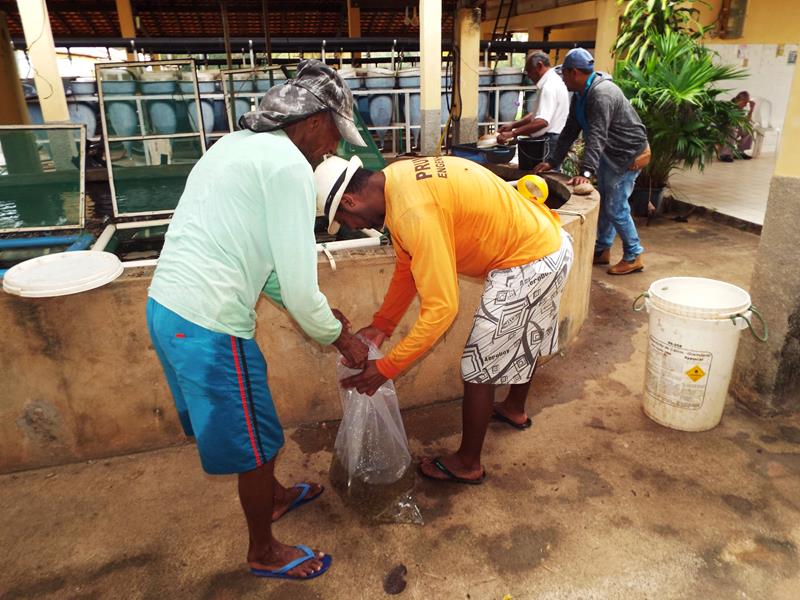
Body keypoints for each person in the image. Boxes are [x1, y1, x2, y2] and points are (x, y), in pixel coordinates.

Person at [146, 60, 369, 581]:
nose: (334, 147)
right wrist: (342, 338)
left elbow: (265, 270)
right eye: (335, 133)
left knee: (252, 421)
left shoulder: (233, 146)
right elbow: (300, 290)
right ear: (314, 121)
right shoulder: (289, 168)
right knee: (256, 443)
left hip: (169, 309)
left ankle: (275, 497)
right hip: (209, 324)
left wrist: (319, 318)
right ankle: (263, 551)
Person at [314, 154, 573, 485]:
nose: (352, 226)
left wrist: (386, 368)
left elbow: (442, 309)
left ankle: (468, 463)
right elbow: (409, 264)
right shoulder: (396, 179)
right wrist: (382, 324)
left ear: (350, 201)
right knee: (525, 333)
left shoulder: (412, 212)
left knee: (478, 369)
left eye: (344, 219)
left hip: (527, 262)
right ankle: (513, 408)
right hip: (548, 242)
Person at [533, 48, 651, 276]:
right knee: (607, 202)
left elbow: (598, 134)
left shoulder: (601, 94)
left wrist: (586, 173)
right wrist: (553, 161)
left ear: (575, 72)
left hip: (626, 155)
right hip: (610, 153)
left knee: (616, 207)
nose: (562, 79)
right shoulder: (581, 94)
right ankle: (602, 249)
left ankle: (634, 255)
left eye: (564, 74)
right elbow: (570, 129)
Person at [497, 51, 569, 169]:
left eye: (529, 71)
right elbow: (536, 115)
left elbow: (542, 121)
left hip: (549, 141)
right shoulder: (552, 81)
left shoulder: (549, 86)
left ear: (539, 66)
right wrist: (513, 125)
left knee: (543, 175)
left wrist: (513, 133)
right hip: (552, 139)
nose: (529, 76)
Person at [719, 91, 755, 162]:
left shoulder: (740, 108)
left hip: (735, 129)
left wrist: (751, 109)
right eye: (744, 102)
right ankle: (725, 154)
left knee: (749, 128)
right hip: (723, 130)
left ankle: (740, 152)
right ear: (738, 100)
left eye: (747, 103)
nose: (745, 105)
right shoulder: (729, 106)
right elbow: (724, 122)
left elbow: (747, 122)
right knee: (732, 129)